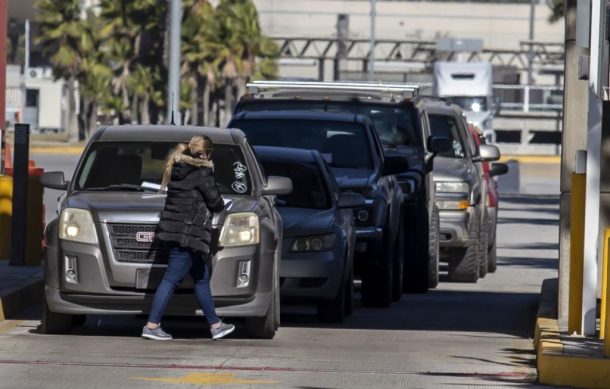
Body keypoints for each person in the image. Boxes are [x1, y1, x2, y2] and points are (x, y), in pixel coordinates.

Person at [142, 135, 235, 341]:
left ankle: (216, 325)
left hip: (176, 231)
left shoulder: (178, 169)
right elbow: (215, 202)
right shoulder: (202, 172)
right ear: (204, 153)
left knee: (201, 279)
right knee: (171, 279)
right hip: (187, 234)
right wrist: (221, 204)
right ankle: (151, 326)